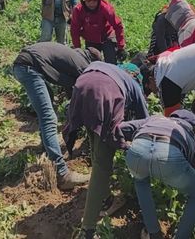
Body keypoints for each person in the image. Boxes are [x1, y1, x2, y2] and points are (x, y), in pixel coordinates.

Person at [63, 61, 149, 239]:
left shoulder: (109, 68)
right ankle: (87, 229)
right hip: (105, 94)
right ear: (136, 78)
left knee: (96, 145)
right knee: (103, 165)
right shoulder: (133, 85)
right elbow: (147, 123)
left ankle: (104, 196)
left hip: (81, 87)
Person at [12, 42, 102, 190]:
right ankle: (62, 174)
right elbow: (90, 93)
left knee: (48, 105)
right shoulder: (82, 64)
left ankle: (46, 147)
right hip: (29, 68)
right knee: (49, 118)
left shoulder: (71, 57)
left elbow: (73, 92)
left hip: (25, 64)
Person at [119, 110, 195, 239]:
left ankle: (153, 233)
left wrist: (125, 145)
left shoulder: (155, 118)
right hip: (168, 156)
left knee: (141, 182)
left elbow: (121, 127)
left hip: (137, 151)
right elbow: (194, 171)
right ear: (193, 125)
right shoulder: (188, 131)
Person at [142, 41, 195, 146]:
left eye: (150, 89)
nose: (154, 93)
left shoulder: (166, 82)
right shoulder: (164, 63)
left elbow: (174, 120)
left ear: (151, 79)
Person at [70, 0, 126, 64]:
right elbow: (74, 29)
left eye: (94, 1)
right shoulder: (78, 10)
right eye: (88, 1)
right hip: (90, 38)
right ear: (83, 1)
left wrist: (121, 46)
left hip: (107, 36)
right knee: (92, 64)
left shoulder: (105, 8)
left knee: (111, 63)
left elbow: (117, 25)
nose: (91, 4)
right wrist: (77, 48)